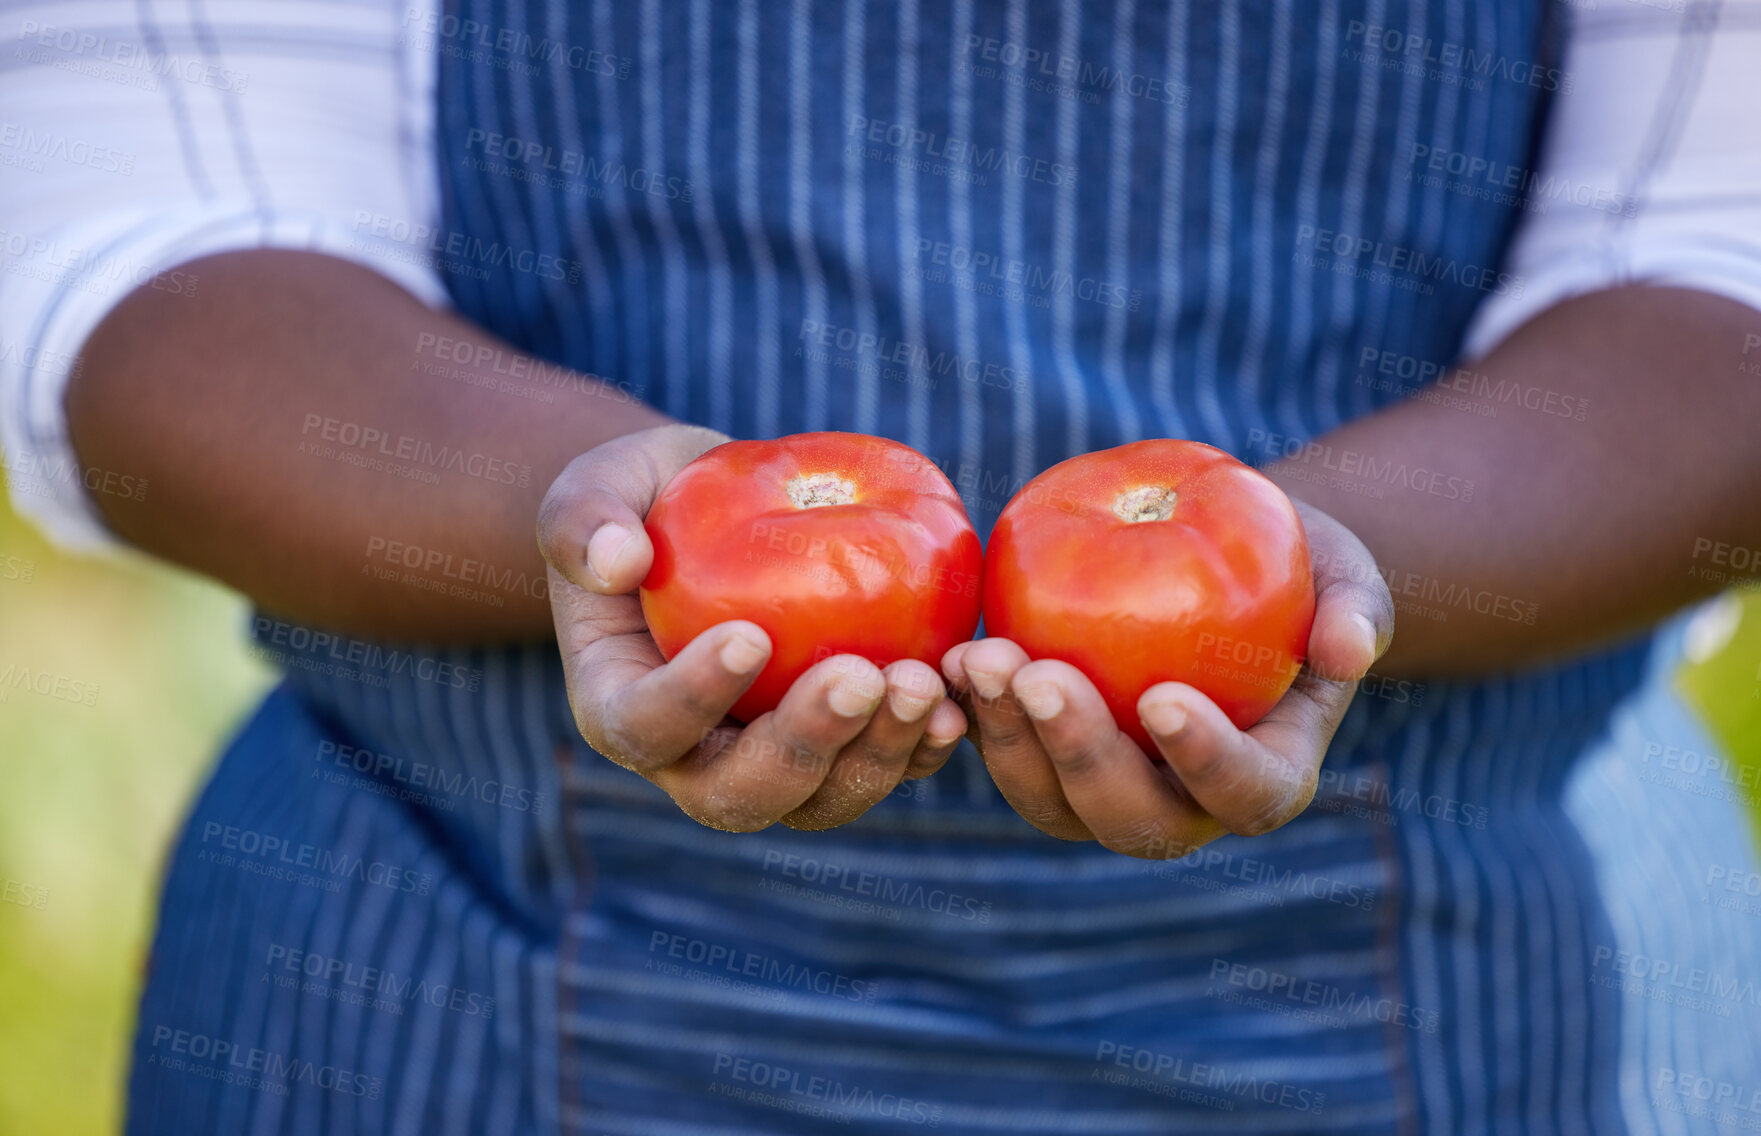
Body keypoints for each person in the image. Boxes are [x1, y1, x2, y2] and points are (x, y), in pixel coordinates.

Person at [3, 0, 1758, 1132]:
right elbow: (151, 243)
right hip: (452, 977)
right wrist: (598, 514)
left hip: (1487, 981)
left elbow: (1718, 269)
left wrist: (1318, 580)